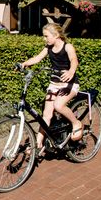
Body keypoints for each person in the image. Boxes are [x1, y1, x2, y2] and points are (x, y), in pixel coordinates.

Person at [19, 23, 83, 153]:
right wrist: (24, 63)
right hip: (54, 84)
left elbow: (74, 60)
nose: (44, 39)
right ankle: (38, 144)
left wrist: (71, 71)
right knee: (46, 115)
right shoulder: (48, 48)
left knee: (58, 106)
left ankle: (76, 123)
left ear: (56, 35)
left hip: (69, 84)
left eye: (46, 36)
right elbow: (37, 58)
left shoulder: (68, 47)